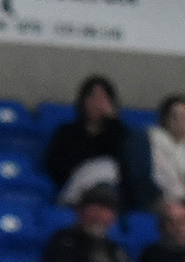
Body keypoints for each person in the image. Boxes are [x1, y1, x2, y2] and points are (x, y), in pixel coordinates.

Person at [42, 74, 153, 208]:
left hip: (112, 189)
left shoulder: (121, 134)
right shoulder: (66, 132)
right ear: (83, 101)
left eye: (103, 99)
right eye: (93, 98)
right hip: (77, 188)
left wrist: (113, 123)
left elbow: (127, 166)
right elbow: (57, 166)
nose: (98, 104)